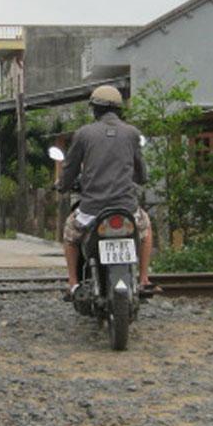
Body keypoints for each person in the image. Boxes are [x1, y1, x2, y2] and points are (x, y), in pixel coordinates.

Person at [58, 85, 153, 299]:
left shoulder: (83, 134)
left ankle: (73, 283)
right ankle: (144, 278)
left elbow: (70, 168)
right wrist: (137, 179)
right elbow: (141, 173)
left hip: (92, 210)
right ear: (119, 110)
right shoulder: (132, 133)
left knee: (70, 234)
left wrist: (63, 186)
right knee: (146, 229)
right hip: (126, 208)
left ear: (95, 110)